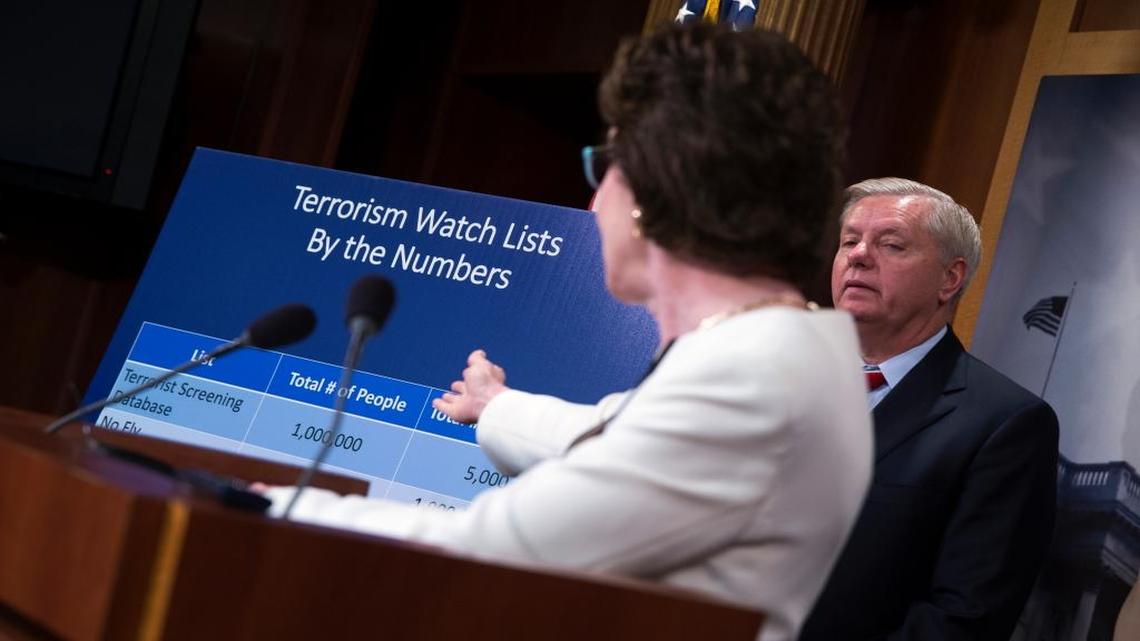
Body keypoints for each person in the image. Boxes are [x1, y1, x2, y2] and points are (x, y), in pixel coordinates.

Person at [264, 23, 872, 641]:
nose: (593, 203)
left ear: (659, 187)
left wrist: (262, 507)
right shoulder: (770, 346)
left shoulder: (753, 374)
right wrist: (496, 405)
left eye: (604, 166)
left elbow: (491, 550)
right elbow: (612, 436)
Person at [799, 178, 1060, 641]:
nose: (858, 255)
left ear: (950, 278)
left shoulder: (1006, 425)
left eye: (891, 244)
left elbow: (963, 621)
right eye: (849, 241)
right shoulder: (779, 377)